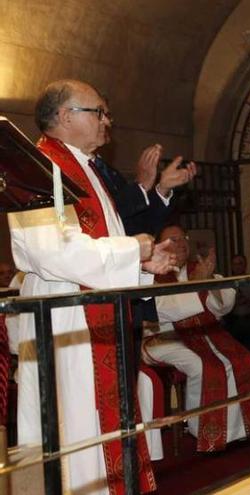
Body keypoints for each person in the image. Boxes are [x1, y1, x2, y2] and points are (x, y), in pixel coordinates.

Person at [11, 79, 176, 494]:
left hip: (94, 313)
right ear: (66, 116)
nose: (108, 121)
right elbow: (52, 252)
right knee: (73, 424)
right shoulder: (34, 166)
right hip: (64, 315)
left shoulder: (87, 167)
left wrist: (144, 264)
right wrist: (132, 249)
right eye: (98, 112)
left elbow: (107, 243)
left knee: (96, 422)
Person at [144, 225, 250, 452]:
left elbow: (223, 306)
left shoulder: (199, 269)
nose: (181, 243)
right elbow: (164, 310)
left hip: (199, 334)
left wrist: (208, 284)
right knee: (202, 365)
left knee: (240, 357)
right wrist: (196, 284)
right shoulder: (150, 276)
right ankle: (201, 431)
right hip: (161, 338)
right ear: (159, 246)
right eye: (172, 239)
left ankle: (236, 430)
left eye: (183, 238)